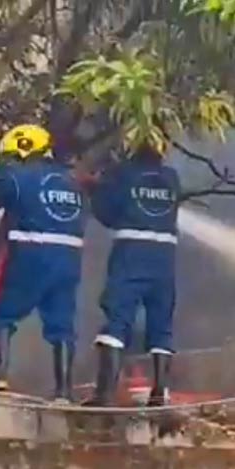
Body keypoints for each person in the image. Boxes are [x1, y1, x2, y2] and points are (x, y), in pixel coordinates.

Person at [0, 124, 87, 400]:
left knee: (1, 316)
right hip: (69, 260)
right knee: (62, 325)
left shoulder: (17, 176)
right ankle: (64, 392)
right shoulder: (71, 182)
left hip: (32, 254)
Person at [86, 141, 180, 406]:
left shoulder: (124, 173)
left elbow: (107, 212)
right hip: (165, 255)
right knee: (161, 324)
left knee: (117, 316)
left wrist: (95, 188)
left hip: (132, 252)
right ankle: (160, 394)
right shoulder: (172, 177)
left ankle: (104, 395)